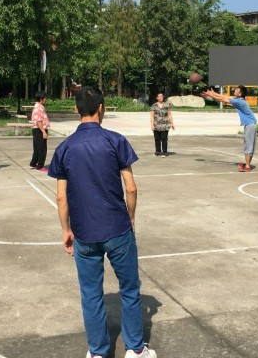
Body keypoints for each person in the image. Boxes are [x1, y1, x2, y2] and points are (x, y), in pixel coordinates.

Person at [48, 86, 156, 358]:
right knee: (129, 289)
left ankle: (97, 352)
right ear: (101, 107)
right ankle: (135, 349)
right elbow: (131, 188)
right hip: (117, 228)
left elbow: (61, 197)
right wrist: (130, 217)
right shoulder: (116, 141)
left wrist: (66, 229)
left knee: (91, 293)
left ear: (76, 109)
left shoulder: (64, 148)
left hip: (84, 232)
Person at [201, 85, 257, 171]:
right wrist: (213, 93)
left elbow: (223, 99)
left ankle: (247, 167)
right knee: (249, 145)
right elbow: (224, 97)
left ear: (240, 93)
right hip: (251, 124)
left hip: (250, 125)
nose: (235, 90)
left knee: (248, 145)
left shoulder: (239, 102)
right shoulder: (239, 100)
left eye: (237, 90)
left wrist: (211, 95)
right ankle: (247, 165)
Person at [29, 91, 50, 171]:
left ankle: (34, 163)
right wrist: (43, 132)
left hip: (38, 129)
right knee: (42, 149)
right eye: (45, 98)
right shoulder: (38, 108)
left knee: (37, 148)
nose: (46, 100)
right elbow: (39, 121)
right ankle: (40, 166)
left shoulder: (39, 107)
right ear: (41, 99)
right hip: (40, 129)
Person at [150, 92, 175, 156]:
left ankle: (164, 152)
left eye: (162, 96)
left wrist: (172, 123)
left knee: (164, 138)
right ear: (157, 98)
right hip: (156, 125)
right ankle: (158, 152)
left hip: (165, 125)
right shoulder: (154, 106)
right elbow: (152, 116)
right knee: (157, 139)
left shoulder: (167, 105)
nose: (161, 97)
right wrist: (152, 125)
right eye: (160, 96)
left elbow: (169, 115)